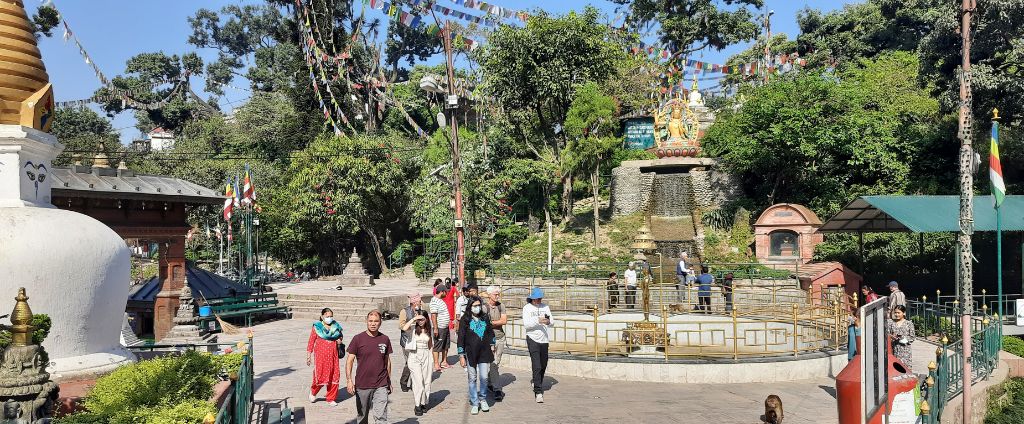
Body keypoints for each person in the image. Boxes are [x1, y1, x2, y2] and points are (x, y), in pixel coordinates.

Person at [346, 311, 392, 424]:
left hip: (381, 383)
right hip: (362, 384)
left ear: (380, 323)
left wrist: (388, 380)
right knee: (362, 417)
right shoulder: (358, 339)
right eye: (370, 321)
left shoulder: (385, 339)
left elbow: (387, 361)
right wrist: (349, 380)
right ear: (366, 322)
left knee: (381, 417)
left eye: (376, 321)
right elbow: (349, 360)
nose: (373, 324)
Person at [458, 295, 497, 415]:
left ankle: (483, 398)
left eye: (479, 305)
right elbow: (461, 338)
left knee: (484, 377)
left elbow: (490, 332)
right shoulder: (465, 319)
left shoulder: (485, 317)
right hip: (471, 353)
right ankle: (475, 402)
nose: (477, 308)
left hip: (484, 352)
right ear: (470, 307)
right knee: (472, 378)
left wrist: (492, 343)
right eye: (475, 306)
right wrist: (461, 355)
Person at [522, 287, 554, 403]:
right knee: (537, 365)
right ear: (532, 298)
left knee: (544, 364)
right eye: (537, 298)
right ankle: (538, 391)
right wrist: (538, 321)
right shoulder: (527, 308)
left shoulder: (545, 307)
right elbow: (527, 325)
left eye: (540, 298)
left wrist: (548, 321)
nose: (539, 300)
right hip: (532, 338)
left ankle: (537, 381)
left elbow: (552, 322)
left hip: (544, 339)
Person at [306, 308, 343, 405]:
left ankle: (331, 398)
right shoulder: (317, 327)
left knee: (334, 375)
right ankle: (313, 392)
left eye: (331, 316)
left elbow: (340, 336)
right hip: (321, 356)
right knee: (320, 375)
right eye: (327, 316)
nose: (329, 318)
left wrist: (339, 340)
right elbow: (311, 341)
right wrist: (308, 355)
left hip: (333, 355)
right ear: (322, 316)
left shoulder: (336, 326)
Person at [401, 309, 433, 416]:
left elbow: (430, 344)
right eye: (419, 320)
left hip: (426, 355)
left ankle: (424, 402)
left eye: (422, 319)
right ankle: (417, 404)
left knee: (426, 381)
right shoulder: (413, 329)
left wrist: (432, 359)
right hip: (414, 355)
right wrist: (414, 319)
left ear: (426, 319)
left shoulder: (429, 330)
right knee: (418, 381)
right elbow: (404, 328)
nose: (420, 321)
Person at [483, 285, 508, 400]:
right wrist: (495, 323)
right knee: (493, 364)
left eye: (498, 294)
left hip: (500, 337)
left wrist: (492, 322)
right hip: (489, 339)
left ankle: (489, 383)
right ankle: (497, 389)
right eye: (495, 294)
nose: (497, 296)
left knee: (496, 363)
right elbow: (484, 324)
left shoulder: (501, 306)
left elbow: (504, 321)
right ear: (489, 295)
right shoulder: (484, 307)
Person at [397, 292, 422, 393]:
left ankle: (413, 383)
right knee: (409, 362)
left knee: (415, 362)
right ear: (415, 302)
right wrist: (412, 322)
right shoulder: (404, 311)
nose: (421, 303)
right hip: (407, 340)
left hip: (417, 340)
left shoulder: (419, 311)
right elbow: (401, 326)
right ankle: (403, 381)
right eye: (420, 301)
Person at [429, 285, 452, 371]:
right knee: (438, 346)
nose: (446, 293)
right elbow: (433, 316)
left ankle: (444, 362)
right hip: (439, 328)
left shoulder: (440, 300)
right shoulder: (434, 301)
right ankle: (436, 363)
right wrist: (435, 328)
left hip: (445, 327)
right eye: (445, 292)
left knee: (446, 345)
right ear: (442, 292)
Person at [886, 305, 915, 372]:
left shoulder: (909, 323)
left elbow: (912, 337)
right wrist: (891, 336)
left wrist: (902, 339)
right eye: (895, 313)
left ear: (903, 313)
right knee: (895, 368)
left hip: (905, 350)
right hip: (894, 348)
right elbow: (887, 333)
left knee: (906, 368)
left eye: (899, 313)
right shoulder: (890, 322)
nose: (896, 314)